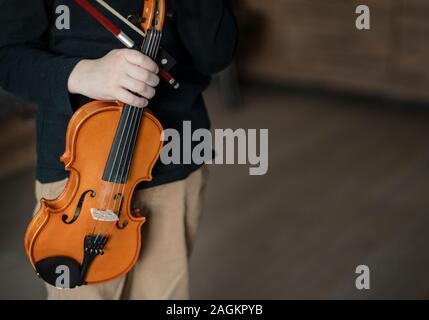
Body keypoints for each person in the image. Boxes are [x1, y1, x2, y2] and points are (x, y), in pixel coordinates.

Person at [0, 0, 237, 299]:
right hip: (76, 174)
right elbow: (8, 56)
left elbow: (216, 56)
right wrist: (82, 73)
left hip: (174, 156)